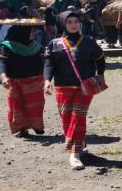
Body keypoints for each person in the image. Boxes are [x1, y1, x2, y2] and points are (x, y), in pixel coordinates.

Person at [44, 11, 106, 170]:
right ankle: (81, 143)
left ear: (80, 23)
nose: (73, 24)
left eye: (76, 21)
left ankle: (74, 153)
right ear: (63, 24)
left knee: (77, 117)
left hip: (83, 87)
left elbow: (100, 58)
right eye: (69, 21)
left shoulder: (88, 41)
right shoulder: (55, 43)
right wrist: (46, 81)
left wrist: (100, 75)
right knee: (66, 119)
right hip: (63, 87)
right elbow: (49, 65)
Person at [0, 21, 45, 138]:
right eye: (31, 31)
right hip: (15, 82)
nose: (33, 33)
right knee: (17, 106)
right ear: (22, 32)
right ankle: (22, 129)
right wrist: (3, 76)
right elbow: (2, 63)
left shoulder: (36, 46)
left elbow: (46, 61)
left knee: (35, 105)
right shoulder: (6, 46)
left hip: (35, 81)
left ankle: (37, 125)